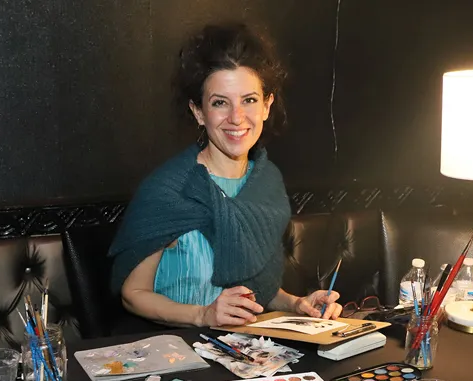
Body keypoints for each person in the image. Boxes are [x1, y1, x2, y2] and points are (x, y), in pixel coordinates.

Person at [109, 23, 342, 328]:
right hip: (174, 350)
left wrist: (297, 303)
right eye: (220, 102)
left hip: (245, 349)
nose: (236, 117)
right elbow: (133, 294)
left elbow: (258, 287)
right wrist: (202, 315)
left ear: (267, 106)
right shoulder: (167, 190)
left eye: (249, 100)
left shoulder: (267, 182)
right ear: (198, 112)